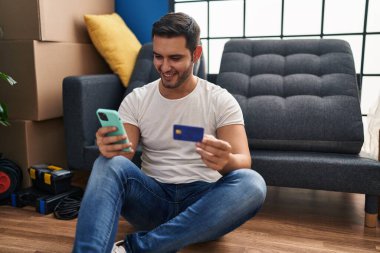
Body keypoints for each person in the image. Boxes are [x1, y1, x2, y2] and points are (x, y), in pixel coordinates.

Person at [72, 12, 266, 253]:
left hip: (204, 204)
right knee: (107, 164)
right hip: (152, 200)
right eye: (158, 57)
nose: (164, 67)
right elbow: (123, 157)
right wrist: (110, 148)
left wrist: (225, 162)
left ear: (196, 54)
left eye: (174, 58)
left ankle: (139, 249)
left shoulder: (220, 100)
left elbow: (243, 161)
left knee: (253, 183)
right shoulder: (137, 99)